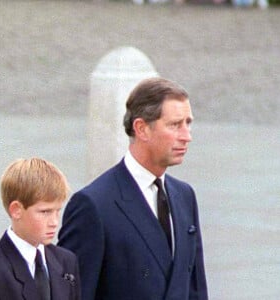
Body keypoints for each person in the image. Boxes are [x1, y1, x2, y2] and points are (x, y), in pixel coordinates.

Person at [58, 77, 208, 300]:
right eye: (175, 125)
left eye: (188, 123)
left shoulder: (184, 196)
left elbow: (195, 289)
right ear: (141, 129)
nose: (187, 136)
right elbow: (73, 294)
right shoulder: (93, 205)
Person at [0, 158, 81, 300]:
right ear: (16, 210)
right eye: (45, 212)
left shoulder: (67, 261)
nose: (54, 222)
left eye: (57, 211)